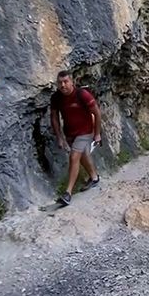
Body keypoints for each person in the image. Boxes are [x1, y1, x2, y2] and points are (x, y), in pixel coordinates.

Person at [50, 70, 101, 206]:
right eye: (60, 83)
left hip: (85, 132)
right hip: (70, 133)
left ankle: (68, 193)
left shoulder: (82, 95)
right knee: (82, 156)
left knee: (74, 157)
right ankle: (94, 178)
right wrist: (59, 137)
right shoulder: (56, 98)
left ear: (72, 82)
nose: (63, 85)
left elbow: (97, 113)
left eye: (66, 82)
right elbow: (54, 117)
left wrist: (97, 133)